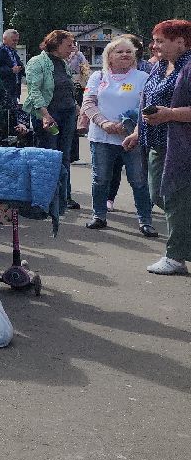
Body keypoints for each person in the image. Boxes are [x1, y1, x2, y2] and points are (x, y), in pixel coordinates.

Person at [78, 36, 155, 235]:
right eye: (119, 52)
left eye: (129, 52)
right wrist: (105, 123)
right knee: (101, 179)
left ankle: (145, 221)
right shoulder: (98, 77)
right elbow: (88, 103)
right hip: (102, 137)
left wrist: (133, 127)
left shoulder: (143, 77)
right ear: (109, 57)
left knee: (138, 180)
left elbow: (147, 107)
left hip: (133, 138)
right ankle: (99, 216)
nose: (125, 55)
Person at [144, 19, 191, 275]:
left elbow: (167, 110)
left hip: (182, 147)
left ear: (181, 42)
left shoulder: (189, 67)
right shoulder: (161, 66)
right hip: (157, 143)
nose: (155, 45)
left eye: (161, 40)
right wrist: (137, 131)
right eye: (155, 40)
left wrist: (170, 113)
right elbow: (148, 99)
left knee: (175, 198)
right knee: (160, 196)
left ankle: (175, 256)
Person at [24, 29, 81, 212]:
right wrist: (45, 115)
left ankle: (64, 196)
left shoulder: (63, 63)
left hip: (67, 112)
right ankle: (45, 197)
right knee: (49, 155)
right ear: (56, 44)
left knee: (64, 156)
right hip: (48, 114)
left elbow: (67, 86)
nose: (72, 48)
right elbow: (34, 91)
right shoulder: (37, 62)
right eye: (69, 44)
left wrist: (76, 105)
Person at [0, 29, 24, 105]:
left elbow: (19, 66)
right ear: (5, 39)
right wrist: (10, 70)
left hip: (15, 88)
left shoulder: (13, 51)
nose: (16, 43)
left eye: (17, 40)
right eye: (14, 40)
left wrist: (22, 69)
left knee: (13, 113)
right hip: (4, 89)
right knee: (5, 113)